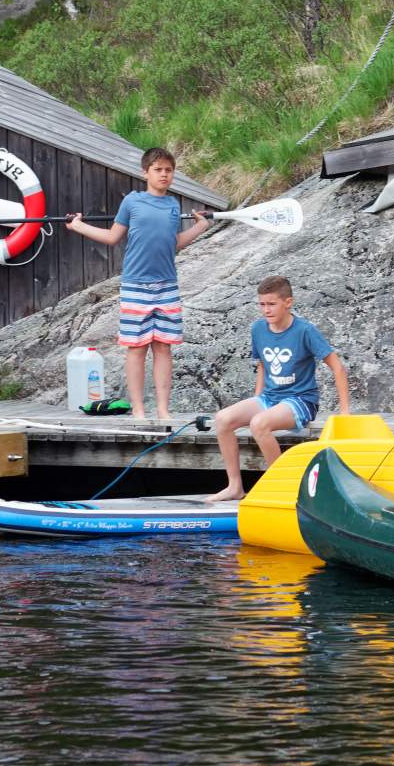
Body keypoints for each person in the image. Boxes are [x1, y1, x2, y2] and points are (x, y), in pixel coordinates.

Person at [65, 147, 210, 419]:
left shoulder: (173, 205)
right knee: (137, 347)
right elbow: (111, 237)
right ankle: (139, 410)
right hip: (136, 286)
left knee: (163, 346)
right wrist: (79, 226)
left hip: (167, 285)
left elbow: (174, 243)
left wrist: (199, 227)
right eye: (158, 170)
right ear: (146, 173)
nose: (164, 174)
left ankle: (164, 410)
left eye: (168, 170)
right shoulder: (132, 202)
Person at [208, 275, 350, 504]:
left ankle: (284, 486)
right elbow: (262, 365)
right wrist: (257, 398)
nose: (266, 310)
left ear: (288, 302)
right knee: (223, 419)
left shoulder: (305, 330)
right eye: (262, 304)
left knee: (259, 424)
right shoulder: (258, 329)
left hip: (300, 400)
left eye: (271, 304)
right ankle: (235, 486)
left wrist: (344, 412)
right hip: (269, 398)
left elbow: (338, 369)